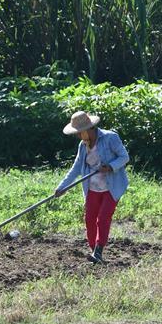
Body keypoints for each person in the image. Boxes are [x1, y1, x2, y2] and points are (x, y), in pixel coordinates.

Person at [55, 111, 129, 263]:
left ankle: (99, 251)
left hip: (111, 186)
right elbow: (76, 168)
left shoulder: (110, 138)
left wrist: (110, 166)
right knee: (89, 219)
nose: (77, 136)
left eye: (78, 133)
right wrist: (62, 187)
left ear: (87, 130)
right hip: (92, 187)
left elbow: (124, 157)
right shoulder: (83, 146)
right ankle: (95, 251)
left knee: (103, 219)